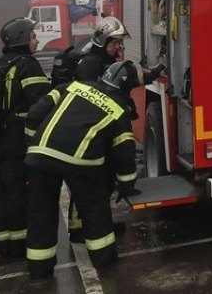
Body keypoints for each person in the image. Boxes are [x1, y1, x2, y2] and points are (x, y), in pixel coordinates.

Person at [24, 61, 143, 278]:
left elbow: (34, 114)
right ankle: (104, 261)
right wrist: (126, 185)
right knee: (95, 209)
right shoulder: (118, 110)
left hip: (41, 156)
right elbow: (125, 152)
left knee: (40, 212)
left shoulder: (72, 86)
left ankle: (39, 269)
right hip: (80, 162)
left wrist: (34, 146)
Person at [67, 16, 163, 243]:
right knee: (91, 183)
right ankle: (80, 227)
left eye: (120, 42)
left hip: (102, 130)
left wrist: (155, 72)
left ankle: (95, 223)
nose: (119, 47)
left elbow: (127, 78)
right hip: (94, 132)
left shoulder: (104, 61)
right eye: (115, 42)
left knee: (102, 181)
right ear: (102, 41)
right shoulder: (90, 65)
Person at [0, 17, 51, 265]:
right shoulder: (27, 66)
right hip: (14, 144)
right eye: (33, 36)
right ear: (22, 38)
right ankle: (21, 248)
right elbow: (43, 104)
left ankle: (5, 250)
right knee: (19, 195)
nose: (36, 40)